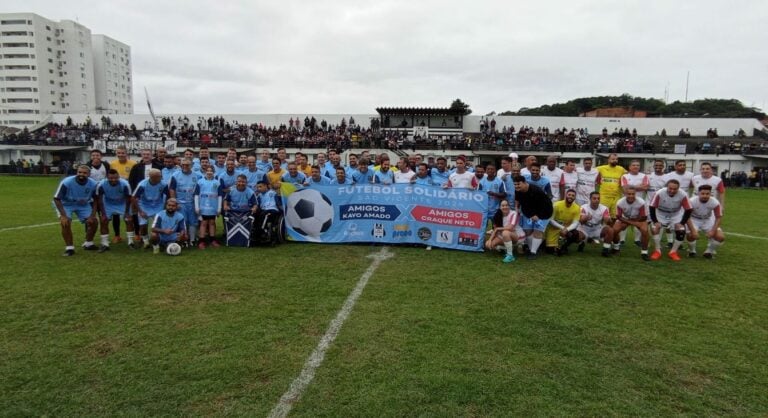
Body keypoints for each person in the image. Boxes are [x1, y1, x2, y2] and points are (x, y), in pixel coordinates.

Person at [53, 165, 99, 256]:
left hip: (83, 205)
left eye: (84, 173)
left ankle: (88, 243)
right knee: (65, 222)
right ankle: (69, 248)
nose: (81, 174)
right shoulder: (67, 182)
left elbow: (96, 199)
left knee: (94, 221)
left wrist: (92, 215)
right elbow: (56, 198)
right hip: (66, 204)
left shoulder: (94, 184)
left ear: (89, 174)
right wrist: (63, 216)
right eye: (79, 172)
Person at [649, 179, 693, 261]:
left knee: (681, 230)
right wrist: (655, 221)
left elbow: (689, 209)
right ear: (667, 187)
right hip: (661, 214)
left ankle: (673, 252)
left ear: (678, 188)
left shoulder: (683, 194)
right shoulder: (659, 193)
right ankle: (657, 251)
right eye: (670, 188)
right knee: (655, 229)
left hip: (675, 214)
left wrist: (682, 223)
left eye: (675, 189)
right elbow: (652, 207)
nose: (672, 191)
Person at [513, 175, 553, 259]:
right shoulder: (518, 191)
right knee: (527, 231)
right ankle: (532, 248)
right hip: (529, 213)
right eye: (515, 184)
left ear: (524, 183)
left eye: (518, 184)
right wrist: (518, 209)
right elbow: (521, 203)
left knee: (537, 231)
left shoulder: (536, 191)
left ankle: (533, 252)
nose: (516, 186)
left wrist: (538, 216)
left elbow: (545, 205)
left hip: (544, 212)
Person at [95, 169, 135, 252]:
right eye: (111, 178)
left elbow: (128, 198)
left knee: (129, 220)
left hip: (122, 203)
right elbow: (100, 200)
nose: (113, 180)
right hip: (108, 204)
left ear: (119, 177)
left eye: (115, 178)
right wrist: (103, 214)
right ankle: (105, 244)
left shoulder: (125, 184)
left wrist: (127, 212)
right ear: (107, 177)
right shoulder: (101, 184)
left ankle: (131, 242)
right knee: (104, 221)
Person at [132, 168, 169, 249]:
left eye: (160, 176)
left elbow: (168, 195)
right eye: (159, 176)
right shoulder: (142, 185)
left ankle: (159, 241)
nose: (161, 177)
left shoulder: (163, 184)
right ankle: (145, 241)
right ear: (152, 177)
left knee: (159, 224)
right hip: (144, 205)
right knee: (143, 225)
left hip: (158, 205)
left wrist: (164, 207)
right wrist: (140, 211)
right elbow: (134, 198)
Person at [686, 185, 725, 259]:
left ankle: (708, 252)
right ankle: (692, 251)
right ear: (698, 193)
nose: (705, 196)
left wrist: (713, 231)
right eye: (703, 193)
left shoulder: (715, 202)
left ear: (711, 194)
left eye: (707, 194)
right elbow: (687, 217)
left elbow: (718, 217)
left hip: (708, 220)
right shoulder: (691, 201)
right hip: (694, 219)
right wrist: (693, 231)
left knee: (720, 237)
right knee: (691, 235)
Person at [612, 187, 651, 261]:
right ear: (625, 194)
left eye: (633, 194)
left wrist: (634, 222)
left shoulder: (641, 202)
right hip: (625, 218)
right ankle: (616, 248)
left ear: (635, 194)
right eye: (629, 194)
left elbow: (644, 217)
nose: (631, 196)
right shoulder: (620, 202)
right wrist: (632, 223)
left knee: (645, 231)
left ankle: (644, 252)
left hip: (638, 218)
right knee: (615, 230)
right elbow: (619, 217)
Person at [169, 158, 200, 246]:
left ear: (191, 165)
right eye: (183, 165)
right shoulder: (175, 175)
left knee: (193, 221)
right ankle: (184, 239)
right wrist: (175, 202)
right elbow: (172, 189)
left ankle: (192, 240)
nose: (185, 166)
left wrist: (197, 203)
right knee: (183, 221)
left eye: (187, 165)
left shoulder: (197, 176)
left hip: (192, 202)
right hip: (180, 203)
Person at [620, 159, 650, 246]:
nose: (636, 167)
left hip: (639, 202)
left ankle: (637, 240)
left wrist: (631, 187)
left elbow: (645, 187)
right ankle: (622, 240)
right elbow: (625, 188)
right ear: (629, 167)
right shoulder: (625, 176)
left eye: (637, 165)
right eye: (634, 165)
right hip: (626, 202)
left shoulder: (644, 176)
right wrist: (638, 186)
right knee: (624, 220)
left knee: (639, 221)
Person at [545, 189, 582, 255]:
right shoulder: (556, 205)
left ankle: (564, 247)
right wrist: (562, 228)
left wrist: (567, 229)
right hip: (554, 228)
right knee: (549, 250)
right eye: (569, 195)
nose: (571, 196)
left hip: (567, 229)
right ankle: (547, 244)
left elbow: (575, 223)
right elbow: (550, 220)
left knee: (575, 234)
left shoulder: (577, 208)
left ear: (575, 198)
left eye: (573, 195)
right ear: (566, 195)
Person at [577, 191, 613, 257]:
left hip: (597, 228)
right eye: (594, 198)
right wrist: (586, 218)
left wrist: (608, 220)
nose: (597, 200)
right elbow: (581, 221)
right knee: (576, 235)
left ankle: (605, 250)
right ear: (590, 199)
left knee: (610, 230)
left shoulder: (604, 208)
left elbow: (608, 220)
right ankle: (582, 243)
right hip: (585, 228)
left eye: (598, 198)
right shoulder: (583, 207)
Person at [195, 167, 223, 249]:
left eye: (211, 171)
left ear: (214, 172)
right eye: (208, 171)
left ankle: (212, 240)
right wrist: (197, 207)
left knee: (212, 223)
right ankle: (201, 241)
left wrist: (219, 208)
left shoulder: (217, 183)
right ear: (205, 172)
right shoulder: (200, 182)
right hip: (203, 207)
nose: (209, 172)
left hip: (213, 207)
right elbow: (196, 195)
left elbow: (220, 196)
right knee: (203, 223)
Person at [596, 153, 626, 220]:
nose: (615, 160)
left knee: (615, 217)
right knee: (602, 215)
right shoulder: (601, 168)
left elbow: (629, 175)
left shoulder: (621, 169)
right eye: (613, 159)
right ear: (608, 160)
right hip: (604, 197)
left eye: (616, 159)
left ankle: (613, 227)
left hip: (616, 197)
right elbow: (590, 171)